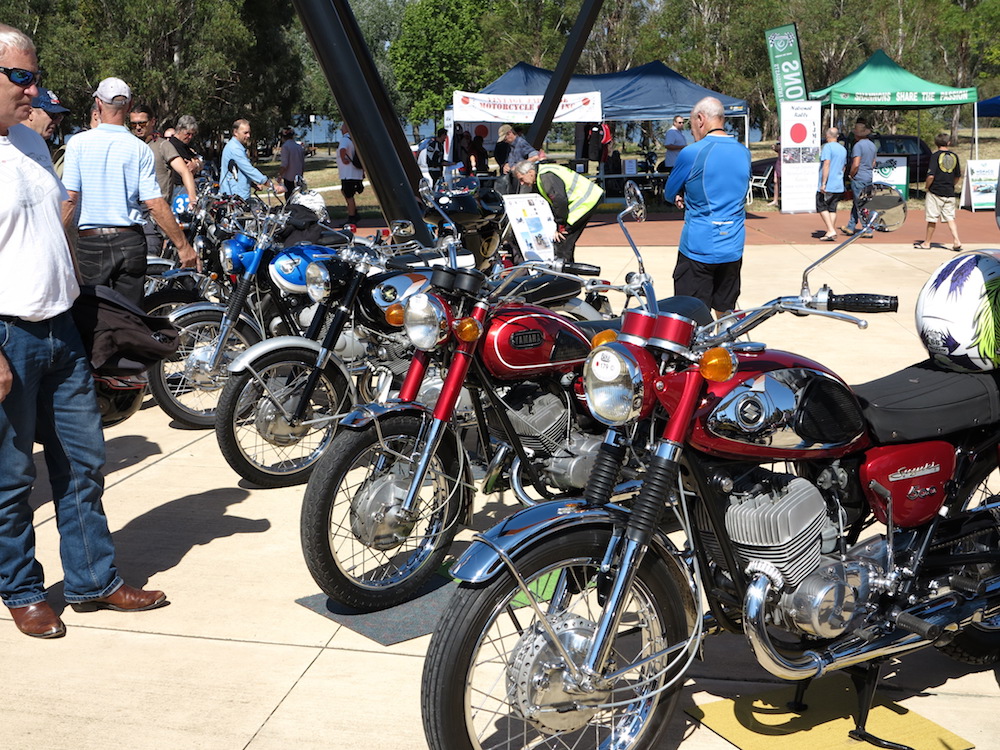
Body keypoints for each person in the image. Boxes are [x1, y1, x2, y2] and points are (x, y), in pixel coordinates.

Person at [0, 23, 168, 640]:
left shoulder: (34, 144)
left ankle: (93, 580)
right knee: (13, 475)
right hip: (7, 336)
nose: (33, 88)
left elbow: (56, 226)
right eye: (21, 76)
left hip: (61, 329)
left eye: (33, 75)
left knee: (82, 459)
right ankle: (21, 589)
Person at [62, 77, 197, 304]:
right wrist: (183, 246)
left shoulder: (78, 143)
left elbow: (70, 200)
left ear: (99, 103)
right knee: (130, 316)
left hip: (91, 241)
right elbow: (154, 203)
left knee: (92, 317)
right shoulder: (139, 148)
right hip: (129, 240)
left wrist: (56, 240)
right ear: (129, 105)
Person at [663, 96, 751, 318]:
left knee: (689, 315)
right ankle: (725, 349)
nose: (692, 132)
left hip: (698, 247)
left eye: (692, 125)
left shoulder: (693, 152)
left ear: (700, 119)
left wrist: (682, 194)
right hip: (733, 244)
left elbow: (669, 192)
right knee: (726, 310)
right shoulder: (744, 152)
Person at [512, 160, 604, 263]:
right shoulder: (543, 172)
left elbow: (559, 201)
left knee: (561, 241)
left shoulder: (545, 176)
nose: (522, 183)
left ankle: (563, 273)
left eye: (521, 179)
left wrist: (560, 225)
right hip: (587, 198)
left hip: (584, 202)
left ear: (530, 172)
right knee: (565, 242)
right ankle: (568, 272)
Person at [916, 133, 963, 251]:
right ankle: (956, 240)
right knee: (950, 218)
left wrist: (927, 187)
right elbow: (957, 176)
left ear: (936, 143)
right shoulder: (954, 156)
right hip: (949, 192)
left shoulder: (935, 156)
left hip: (935, 192)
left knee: (932, 218)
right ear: (949, 143)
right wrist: (951, 184)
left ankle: (927, 242)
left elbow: (931, 175)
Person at [219, 118, 280, 199]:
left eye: (249, 132)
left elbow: (239, 172)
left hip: (239, 195)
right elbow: (249, 170)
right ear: (235, 132)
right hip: (234, 197)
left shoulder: (237, 147)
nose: (248, 136)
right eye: (245, 133)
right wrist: (272, 186)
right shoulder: (234, 149)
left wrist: (253, 185)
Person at [842, 121, 877, 238]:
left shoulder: (858, 146)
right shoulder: (872, 145)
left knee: (861, 204)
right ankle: (851, 226)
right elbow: (873, 162)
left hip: (859, 177)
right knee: (860, 201)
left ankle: (867, 228)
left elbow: (856, 164)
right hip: (869, 176)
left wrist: (851, 174)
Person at [816, 127, 847, 241]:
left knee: (821, 205)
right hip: (838, 183)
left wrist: (823, 183)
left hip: (829, 183)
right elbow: (844, 166)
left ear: (828, 135)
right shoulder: (842, 149)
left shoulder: (827, 147)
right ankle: (831, 230)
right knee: (832, 208)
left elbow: (826, 164)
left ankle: (830, 229)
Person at [336, 122, 364, 224]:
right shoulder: (354, 140)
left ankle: (352, 217)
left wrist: (343, 158)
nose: (340, 129)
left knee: (348, 195)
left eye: (342, 127)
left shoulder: (345, 139)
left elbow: (342, 149)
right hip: (356, 172)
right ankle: (354, 213)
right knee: (346, 192)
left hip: (348, 173)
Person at [279, 127, 305, 194]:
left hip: (289, 178)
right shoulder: (299, 147)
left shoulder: (285, 147)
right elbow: (302, 163)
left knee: (289, 197)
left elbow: (285, 164)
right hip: (298, 177)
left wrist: (280, 176)